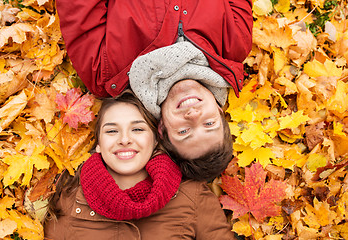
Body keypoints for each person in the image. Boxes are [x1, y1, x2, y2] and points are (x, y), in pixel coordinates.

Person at [55, 0, 253, 180]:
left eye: (184, 131)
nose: (193, 115)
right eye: (209, 123)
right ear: (219, 110)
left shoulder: (104, 73)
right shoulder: (235, 44)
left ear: (162, 129)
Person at [44, 91, 236, 239]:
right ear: (99, 145)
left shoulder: (192, 195)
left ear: (155, 140)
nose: (125, 139)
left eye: (137, 129)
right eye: (112, 131)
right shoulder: (70, 202)